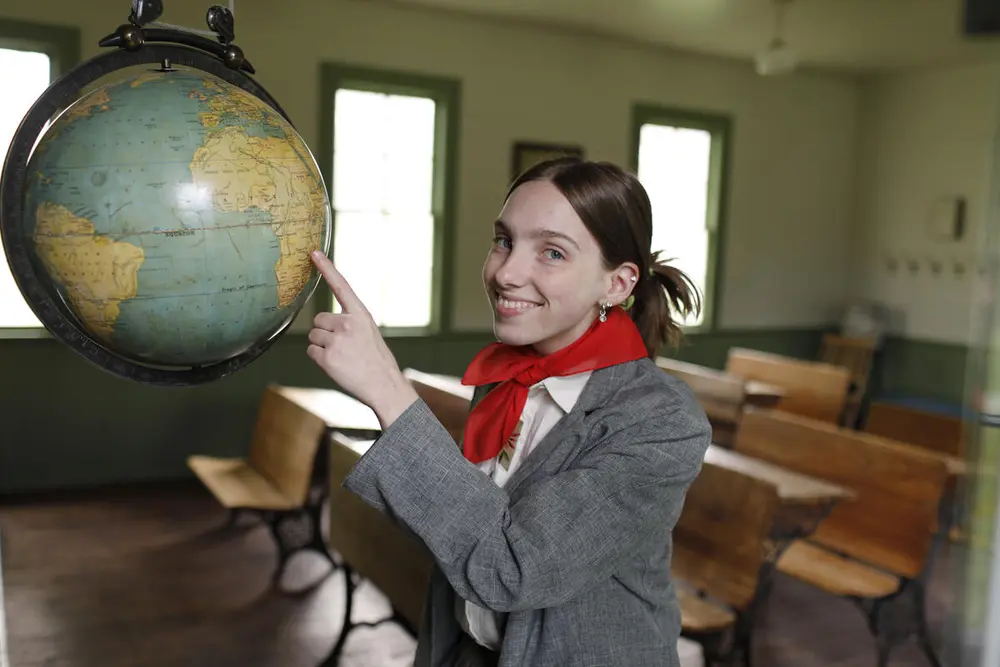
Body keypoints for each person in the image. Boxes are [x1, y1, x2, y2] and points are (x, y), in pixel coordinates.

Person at [306, 157, 712, 667]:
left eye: (552, 252)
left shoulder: (661, 420)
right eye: (504, 241)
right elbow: (459, 531)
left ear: (617, 284)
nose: (506, 272)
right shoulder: (504, 379)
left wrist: (389, 390)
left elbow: (511, 568)